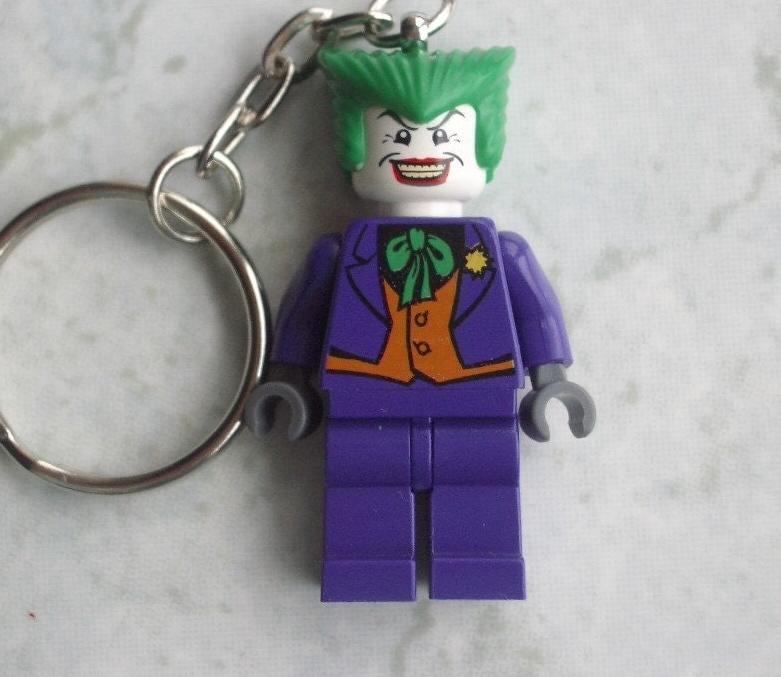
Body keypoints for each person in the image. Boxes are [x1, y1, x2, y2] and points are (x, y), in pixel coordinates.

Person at [244, 39, 595, 602]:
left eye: (446, 136)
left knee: (482, 487)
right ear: (357, 150)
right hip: (365, 395)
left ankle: (481, 569)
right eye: (397, 137)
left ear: (481, 149)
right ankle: (366, 571)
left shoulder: (495, 250)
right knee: (363, 489)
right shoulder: (343, 252)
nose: (423, 152)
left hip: (477, 392)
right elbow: (307, 312)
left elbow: (534, 311)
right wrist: (288, 376)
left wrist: (551, 379)